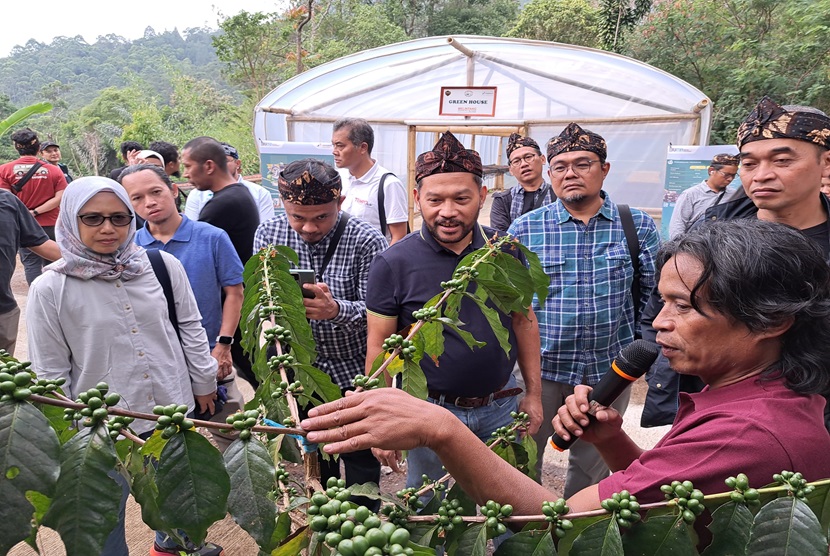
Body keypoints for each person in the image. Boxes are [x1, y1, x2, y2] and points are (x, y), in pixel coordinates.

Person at [302, 219, 830, 516]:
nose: (660, 323)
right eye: (662, 302)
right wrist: (611, 442)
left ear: (772, 321)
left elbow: (568, 520)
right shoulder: (752, 397)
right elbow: (661, 496)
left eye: (685, 306)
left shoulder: (746, 433)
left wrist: (444, 431)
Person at [25, 176, 222, 556]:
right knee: (102, 530)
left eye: (118, 218)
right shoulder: (50, 289)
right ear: (71, 220)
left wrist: (203, 381)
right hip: (100, 431)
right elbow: (49, 373)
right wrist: (69, 439)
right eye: (93, 218)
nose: (108, 229)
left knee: (180, 513)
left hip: (169, 418)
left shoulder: (160, 265)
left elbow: (190, 326)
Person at [365, 131, 542, 497]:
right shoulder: (392, 264)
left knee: (516, 510)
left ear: (481, 196)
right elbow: (379, 347)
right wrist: (379, 418)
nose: (448, 211)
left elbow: (524, 322)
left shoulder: (504, 252)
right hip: (430, 413)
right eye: (435, 199)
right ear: (417, 199)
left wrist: (534, 395)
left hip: (502, 406)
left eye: (461, 198)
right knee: (434, 513)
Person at [641, 96, 830, 429]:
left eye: (782, 160)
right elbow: (661, 308)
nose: (762, 175)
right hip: (715, 409)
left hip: (815, 418)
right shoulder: (712, 230)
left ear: (825, 164)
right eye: (749, 163)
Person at [507, 122, 659, 497]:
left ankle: (576, 536)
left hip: (609, 372)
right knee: (526, 461)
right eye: (560, 166)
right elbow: (512, 306)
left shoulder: (636, 225)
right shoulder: (526, 230)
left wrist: (642, 355)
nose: (570, 173)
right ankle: (528, 537)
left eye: (583, 164)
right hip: (542, 372)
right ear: (549, 172)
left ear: (604, 169)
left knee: (592, 466)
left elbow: (652, 297)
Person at [254, 158, 388, 508]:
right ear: (283, 205)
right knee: (317, 454)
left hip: (351, 371)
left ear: (339, 204)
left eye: (321, 217)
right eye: (297, 217)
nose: (309, 228)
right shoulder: (268, 235)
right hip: (299, 372)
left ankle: (363, 523)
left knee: (359, 456)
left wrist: (335, 310)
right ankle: (325, 523)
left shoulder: (366, 241)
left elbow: (382, 316)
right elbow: (262, 296)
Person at [119, 164, 245, 451]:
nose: (149, 202)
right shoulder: (129, 249)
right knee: (165, 441)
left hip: (210, 354)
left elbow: (234, 292)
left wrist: (223, 345)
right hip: (159, 363)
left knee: (232, 431)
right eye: (136, 198)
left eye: (156, 192)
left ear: (174, 191)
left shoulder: (211, 237)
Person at [181, 136, 260, 387]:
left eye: (188, 166)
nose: (185, 174)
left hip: (231, 300)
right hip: (238, 295)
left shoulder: (223, 205)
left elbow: (193, 251)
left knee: (249, 365)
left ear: (209, 166)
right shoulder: (237, 195)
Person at [0, 128, 69, 284]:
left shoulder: (4, 170)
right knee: (54, 262)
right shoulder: (53, 171)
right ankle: (56, 296)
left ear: (16, 148)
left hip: (23, 226)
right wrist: (36, 212)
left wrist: (26, 214)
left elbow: (6, 199)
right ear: (39, 148)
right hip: (52, 224)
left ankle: (37, 297)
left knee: (31, 264)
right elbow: (60, 196)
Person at [0, 189, 60, 356]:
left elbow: (40, 243)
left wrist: (93, 261)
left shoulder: (7, 201)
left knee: (5, 376)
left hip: (3, 312)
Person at [333, 117, 409, 244]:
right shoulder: (337, 178)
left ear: (363, 147)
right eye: (334, 145)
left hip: (374, 260)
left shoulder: (388, 184)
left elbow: (398, 237)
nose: (334, 151)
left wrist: (381, 263)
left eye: (340, 146)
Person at [184, 141, 275, 224]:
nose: (220, 165)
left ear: (237, 164)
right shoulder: (196, 194)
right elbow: (192, 229)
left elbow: (265, 228)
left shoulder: (259, 193)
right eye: (217, 162)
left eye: (225, 161)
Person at [489, 132, 555, 232]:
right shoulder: (503, 201)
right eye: (516, 161)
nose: (523, 164)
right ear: (510, 169)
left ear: (542, 159)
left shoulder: (558, 195)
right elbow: (500, 240)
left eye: (528, 157)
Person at [667, 153, 738, 239]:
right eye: (726, 174)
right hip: (695, 246)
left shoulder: (734, 196)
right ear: (711, 170)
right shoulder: (690, 194)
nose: (730, 179)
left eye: (733, 175)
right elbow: (677, 226)